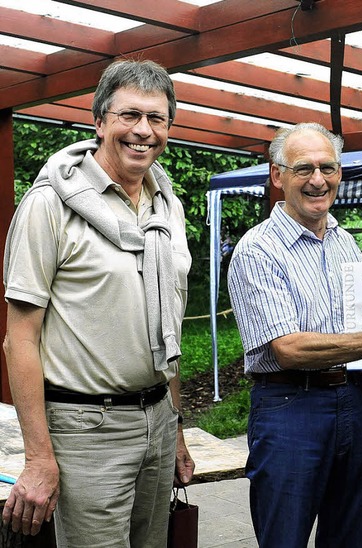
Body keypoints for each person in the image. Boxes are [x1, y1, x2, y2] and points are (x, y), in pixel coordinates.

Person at [2, 59, 195, 547]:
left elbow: (166, 324)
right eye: (129, 115)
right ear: (100, 121)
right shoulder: (50, 204)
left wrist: (174, 429)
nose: (143, 131)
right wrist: (39, 458)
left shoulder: (167, 206)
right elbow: (19, 339)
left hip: (156, 420)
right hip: (87, 429)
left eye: (157, 118)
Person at [227, 122, 362, 547]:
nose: (318, 180)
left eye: (329, 167)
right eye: (303, 168)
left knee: (350, 535)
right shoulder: (257, 249)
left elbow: (357, 335)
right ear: (278, 175)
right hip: (290, 407)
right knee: (284, 537)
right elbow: (288, 349)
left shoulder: (344, 241)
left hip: (356, 400)